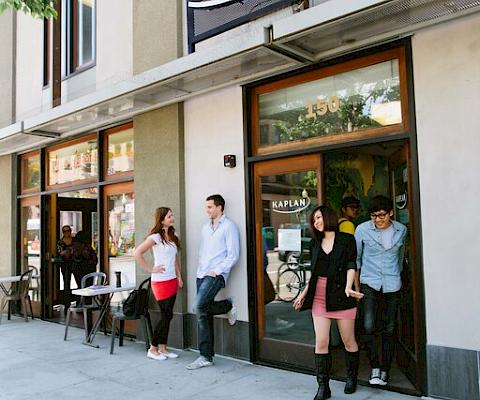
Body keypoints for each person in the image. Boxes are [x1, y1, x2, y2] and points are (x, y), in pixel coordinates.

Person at [293, 205, 363, 399]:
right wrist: (304, 293)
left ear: (328, 217)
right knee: (321, 341)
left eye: (318, 217)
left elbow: (351, 264)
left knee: (348, 341)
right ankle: (323, 386)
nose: (316, 222)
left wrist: (349, 287)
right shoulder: (314, 243)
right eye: (314, 220)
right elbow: (314, 273)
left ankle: (352, 378)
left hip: (342, 294)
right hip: (320, 295)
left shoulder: (347, 239)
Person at [355, 195, 407, 386]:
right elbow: (357, 259)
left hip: (393, 284)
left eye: (382, 215)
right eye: (373, 216)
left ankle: (385, 369)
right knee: (368, 326)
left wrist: (398, 275)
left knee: (390, 328)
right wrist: (357, 287)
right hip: (369, 283)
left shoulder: (402, 230)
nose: (377, 219)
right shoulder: (362, 230)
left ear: (391, 213)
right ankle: (374, 366)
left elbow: (400, 258)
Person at [186, 194, 240, 370]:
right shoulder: (205, 228)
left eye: (210, 206)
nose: (207, 210)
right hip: (202, 273)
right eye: (206, 206)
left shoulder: (229, 227)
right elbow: (203, 251)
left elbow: (233, 255)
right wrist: (201, 270)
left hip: (217, 274)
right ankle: (206, 357)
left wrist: (217, 271)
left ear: (219, 207)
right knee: (203, 313)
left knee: (198, 307)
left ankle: (227, 305)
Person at [134, 207, 183, 361]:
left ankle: (163, 348)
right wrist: (151, 269)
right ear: (162, 220)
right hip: (160, 282)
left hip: (172, 280)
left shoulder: (173, 236)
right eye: (169, 216)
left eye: (172, 215)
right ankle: (153, 348)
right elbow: (137, 253)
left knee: (168, 316)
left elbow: (174, 259)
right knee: (166, 315)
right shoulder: (155, 237)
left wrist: (179, 277)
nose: (172, 217)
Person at [57, 225, 75, 303]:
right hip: (65, 264)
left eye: (68, 231)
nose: (67, 233)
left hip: (75, 263)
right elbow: (60, 252)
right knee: (67, 281)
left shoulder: (74, 240)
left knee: (78, 280)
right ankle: (67, 299)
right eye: (65, 231)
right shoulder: (61, 242)